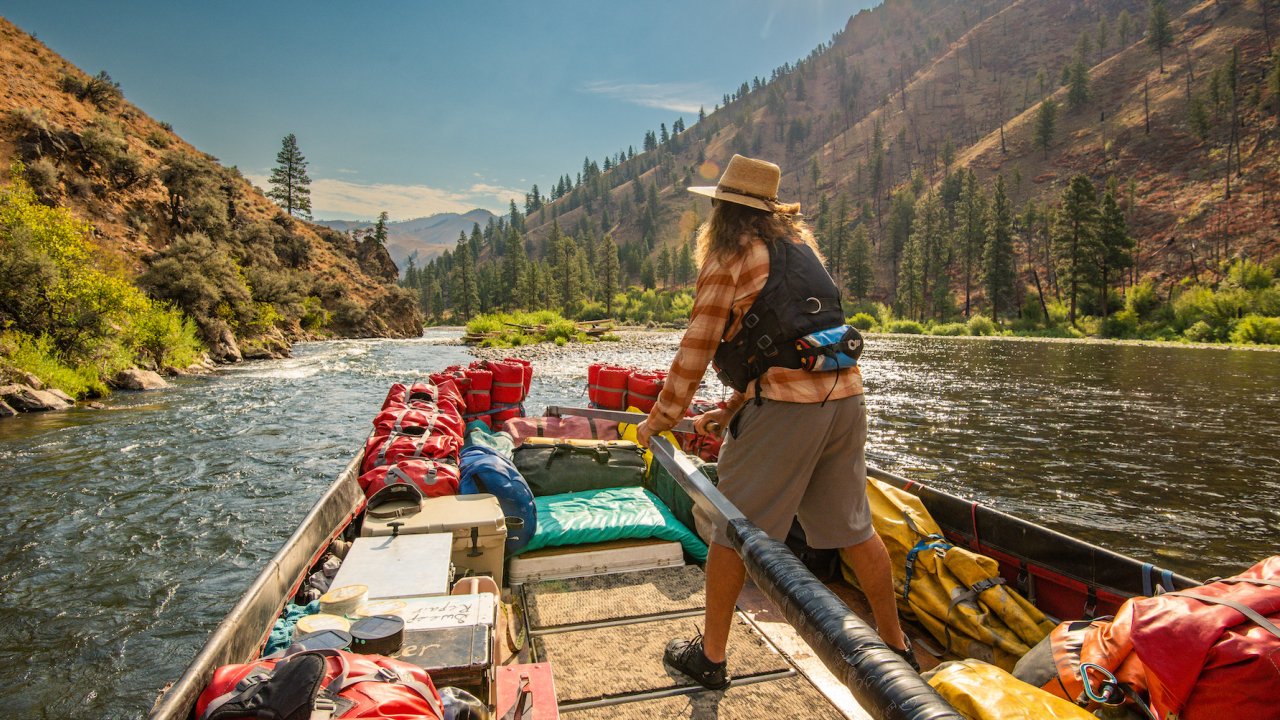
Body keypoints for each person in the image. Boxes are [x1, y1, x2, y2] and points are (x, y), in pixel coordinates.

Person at [635, 154, 917, 690]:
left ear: (723, 210)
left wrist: (660, 419)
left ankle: (711, 659)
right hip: (846, 403)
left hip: (788, 414)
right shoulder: (801, 250)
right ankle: (899, 651)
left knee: (733, 530)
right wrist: (735, 406)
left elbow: (698, 345)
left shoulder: (731, 254)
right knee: (856, 529)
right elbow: (789, 341)